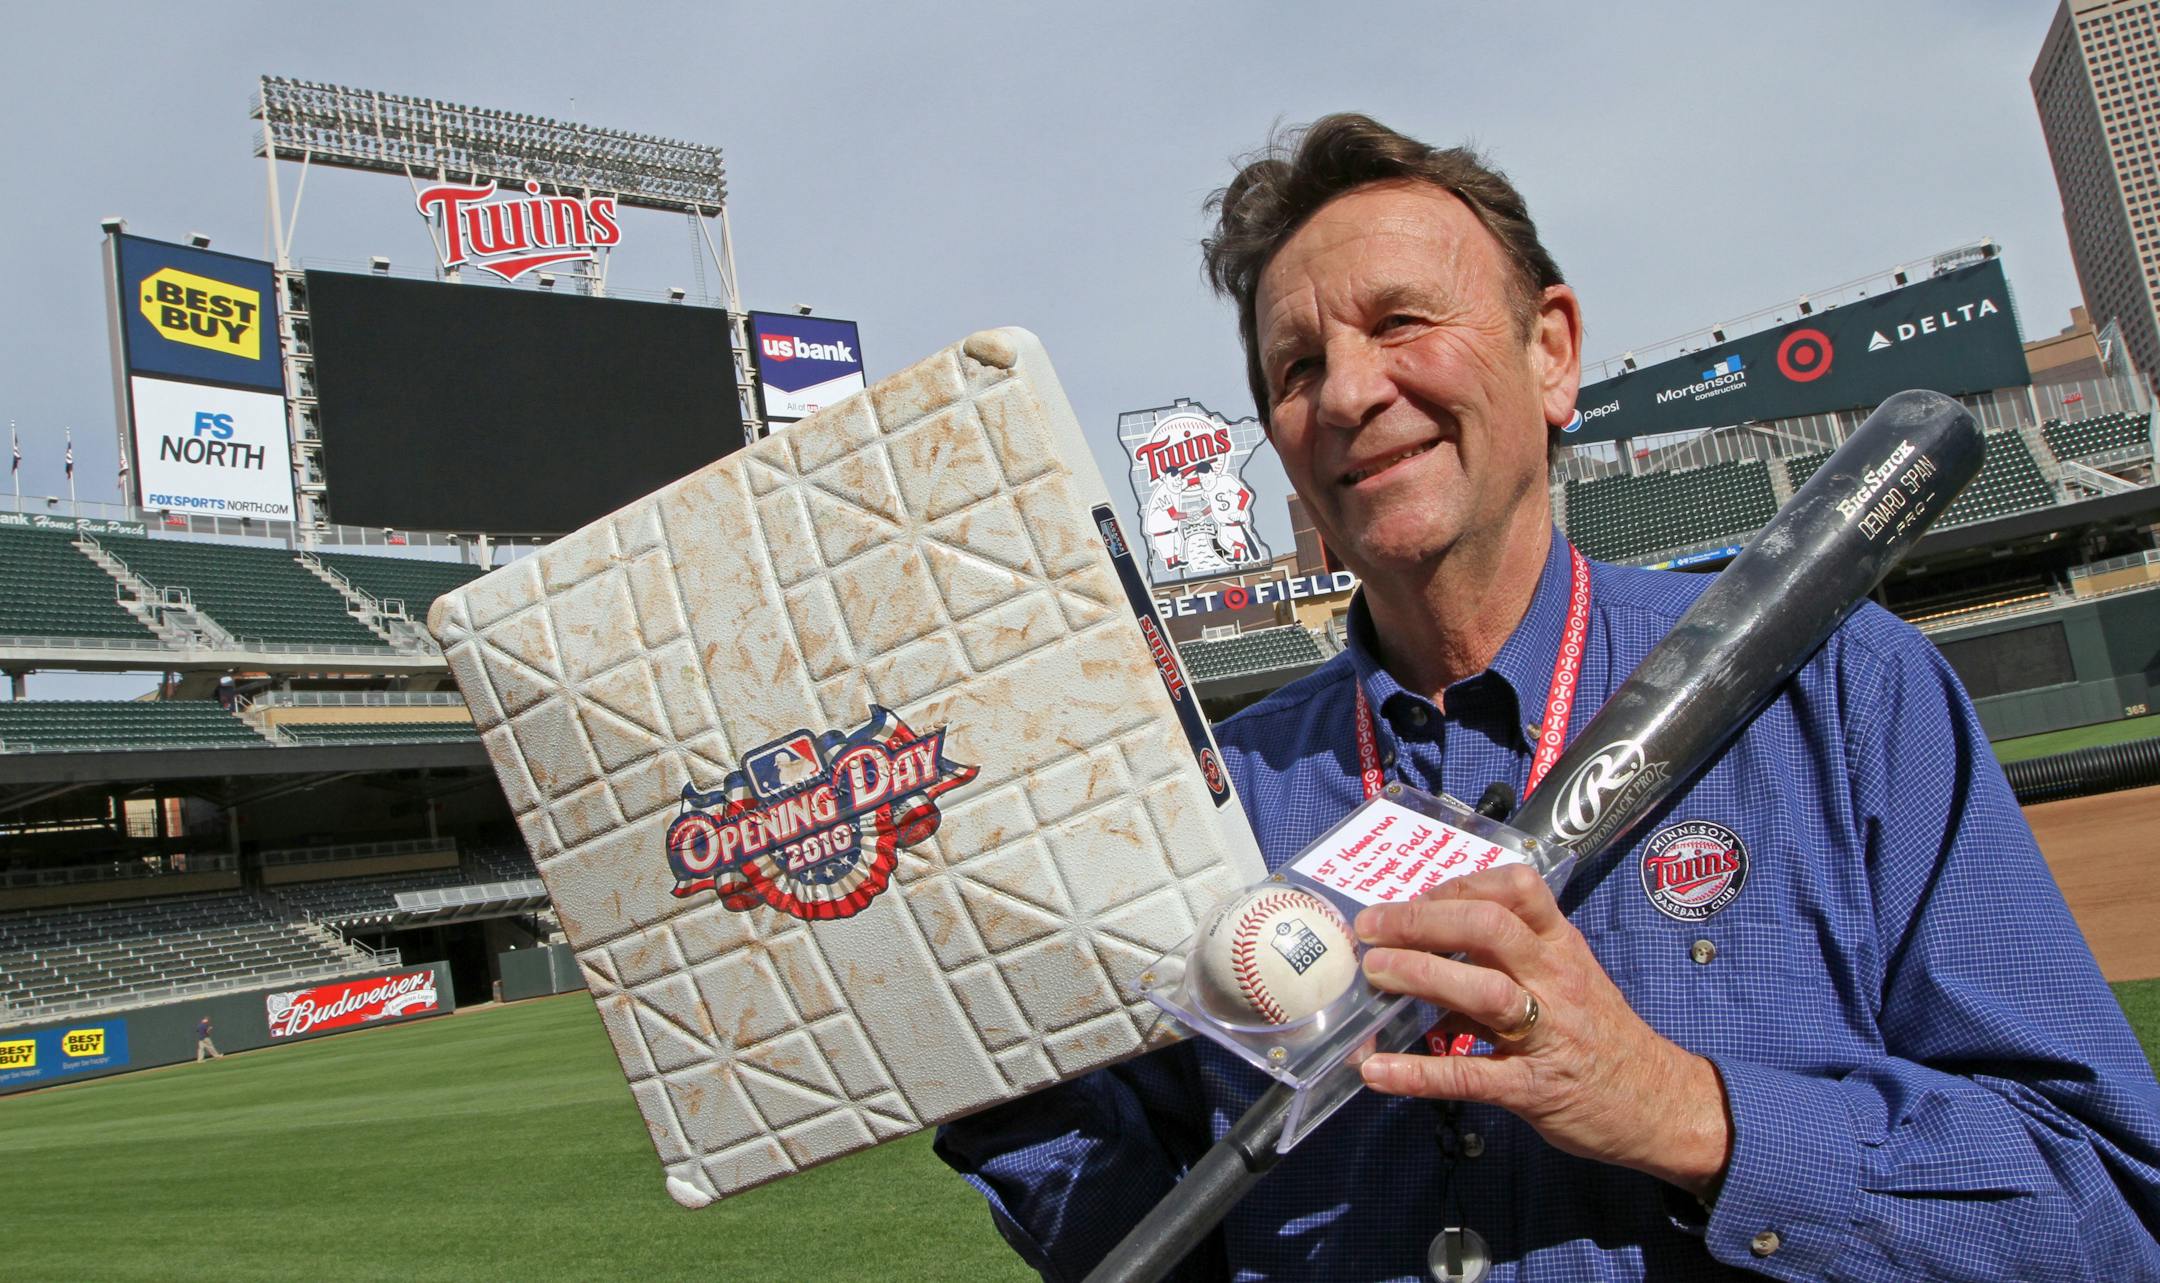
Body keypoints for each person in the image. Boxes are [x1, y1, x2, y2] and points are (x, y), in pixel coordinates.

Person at [937, 113, 2160, 1281]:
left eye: (1402, 320)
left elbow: (2106, 1212)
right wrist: (979, 1048)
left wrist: (1683, 1109)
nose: (1353, 391)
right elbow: (1151, 1244)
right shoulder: (1210, 802)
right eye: (1299, 365)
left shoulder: (1846, 692)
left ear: (1552, 352)